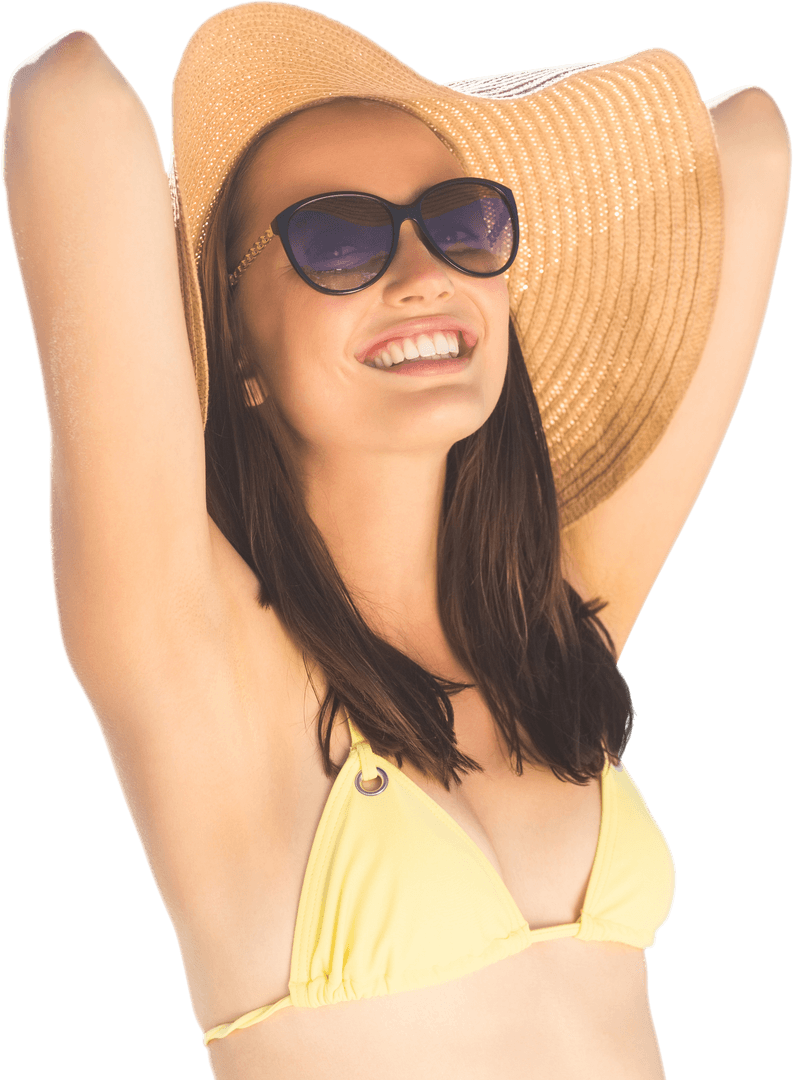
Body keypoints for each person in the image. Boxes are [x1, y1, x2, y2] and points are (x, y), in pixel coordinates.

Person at [3, 3, 789, 1077]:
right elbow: (66, 99)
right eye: (338, 239)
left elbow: (751, 141)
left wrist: (481, 116)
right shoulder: (203, 662)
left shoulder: (545, 628)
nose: (424, 273)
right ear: (236, 346)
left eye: (462, 223)